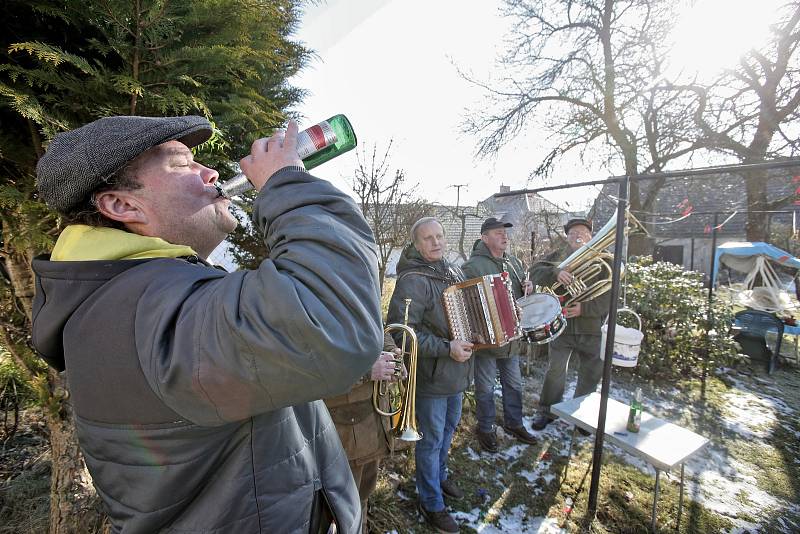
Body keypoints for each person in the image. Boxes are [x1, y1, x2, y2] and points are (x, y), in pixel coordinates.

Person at [30, 115, 384, 534]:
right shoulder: (145, 306)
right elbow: (332, 324)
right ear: (122, 205)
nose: (211, 172)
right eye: (182, 164)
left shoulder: (133, 296)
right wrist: (287, 183)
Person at [386, 217, 473, 534]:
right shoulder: (412, 280)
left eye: (439, 236)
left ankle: (439, 475)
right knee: (432, 439)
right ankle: (431, 502)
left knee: (449, 431)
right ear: (416, 244)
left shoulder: (452, 270)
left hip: (458, 371)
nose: (435, 242)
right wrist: (446, 348)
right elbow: (402, 334)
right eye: (427, 238)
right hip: (432, 374)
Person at [461, 217, 536, 453]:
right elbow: (465, 302)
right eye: (497, 233)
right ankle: (485, 428)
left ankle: (514, 423)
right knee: (484, 387)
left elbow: (518, 298)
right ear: (484, 238)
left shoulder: (513, 262)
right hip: (487, 341)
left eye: (505, 232)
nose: (504, 236)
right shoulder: (472, 267)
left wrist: (528, 288)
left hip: (511, 338)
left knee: (513, 383)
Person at [529, 218, 610, 431]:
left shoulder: (605, 260)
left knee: (590, 375)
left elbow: (610, 296)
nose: (577, 236)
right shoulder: (558, 257)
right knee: (555, 371)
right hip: (562, 327)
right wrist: (556, 272)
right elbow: (535, 271)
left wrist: (585, 309)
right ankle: (546, 411)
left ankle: (582, 418)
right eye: (572, 232)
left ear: (591, 235)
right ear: (567, 237)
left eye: (582, 231)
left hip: (592, 329)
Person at [324, 332, 402, 534]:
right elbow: (313, 369)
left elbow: (379, 330)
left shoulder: (364, 299)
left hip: (371, 425)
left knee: (361, 499)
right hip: (342, 434)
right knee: (339, 510)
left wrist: (392, 354)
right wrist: (367, 371)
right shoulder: (313, 304)